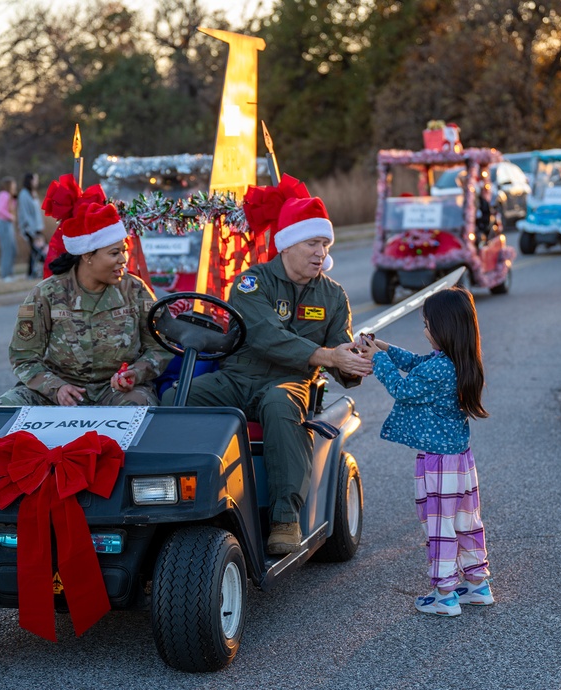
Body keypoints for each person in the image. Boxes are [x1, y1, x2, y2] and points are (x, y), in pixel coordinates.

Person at [172, 189, 372, 555]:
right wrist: (328, 355)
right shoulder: (253, 283)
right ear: (289, 244)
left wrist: (356, 361)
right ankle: (176, 500)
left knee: (281, 403)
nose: (321, 253)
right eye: (313, 243)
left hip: (290, 382)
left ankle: (284, 519)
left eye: (325, 244)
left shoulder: (332, 296)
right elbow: (266, 336)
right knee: (177, 398)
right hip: (237, 379)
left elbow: (340, 355)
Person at [358, 287, 492, 617]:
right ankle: (477, 585)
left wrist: (376, 359)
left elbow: (403, 389)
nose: (424, 330)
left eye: (427, 324)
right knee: (465, 521)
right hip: (461, 460)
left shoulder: (439, 369)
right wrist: (385, 348)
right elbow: (416, 362)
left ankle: (444, 594)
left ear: (443, 328)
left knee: (439, 525)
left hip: (438, 464)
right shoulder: (457, 361)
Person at [0, 175, 172, 407]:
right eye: (114, 253)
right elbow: (24, 357)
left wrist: (135, 374)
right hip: (59, 392)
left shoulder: (135, 290)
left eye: (124, 250)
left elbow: (159, 347)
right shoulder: (46, 294)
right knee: (2, 410)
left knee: (138, 413)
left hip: (117, 392)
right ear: (87, 256)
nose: (123, 260)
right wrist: (55, 388)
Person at [17, 173, 46, 279]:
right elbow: (25, 213)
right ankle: (32, 273)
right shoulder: (24, 194)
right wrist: (31, 229)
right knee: (36, 251)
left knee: (36, 251)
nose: (36, 182)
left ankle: (32, 273)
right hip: (29, 228)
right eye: (35, 180)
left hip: (37, 227)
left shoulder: (33, 193)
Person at [0, 177, 18, 281]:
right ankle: (5, 275)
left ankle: (10, 273)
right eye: (13, 185)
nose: (14, 187)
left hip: (9, 225)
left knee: (13, 250)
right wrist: (10, 217)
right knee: (7, 251)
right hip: (3, 224)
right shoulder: (3, 195)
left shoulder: (10, 196)